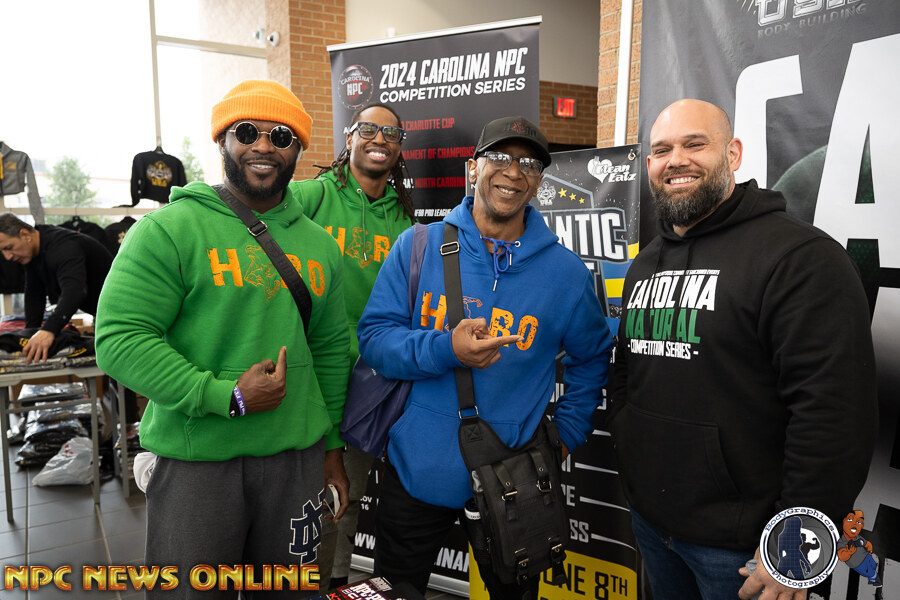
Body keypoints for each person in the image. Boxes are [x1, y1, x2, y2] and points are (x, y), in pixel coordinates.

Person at [608, 99, 877, 600]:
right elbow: (627, 374)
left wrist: (796, 544)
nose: (676, 160)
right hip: (652, 525)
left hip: (745, 551)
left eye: (694, 144)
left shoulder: (801, 259)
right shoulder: (646, 263)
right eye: (661, 150)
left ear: (732, 153)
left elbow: (836, 415)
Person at [95, 80, 351, 598]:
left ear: (298, 150)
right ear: (222, 141)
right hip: (197, 463)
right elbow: (119, 338)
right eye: (247, 132)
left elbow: (329, 350)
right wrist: (225, 395)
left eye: (282, 136)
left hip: (296, 462)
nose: (264, 146)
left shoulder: (321, 246)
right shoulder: (170, 229)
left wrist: (331, 449)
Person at [356, 116, 614, 599]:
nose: (513, 172)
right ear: (472, 168)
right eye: (499, 157)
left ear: (538, 181)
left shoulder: (565, 273)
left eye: (529, 164)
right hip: (416, 471)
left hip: (514, 480)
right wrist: (446, 349)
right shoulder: (418, 246)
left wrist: (568, 432)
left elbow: (594, 356)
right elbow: (375, 340)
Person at [288, 102, 414, 590]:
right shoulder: (314, 196)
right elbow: (251, 216)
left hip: (367, 385)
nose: (379, 139)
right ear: (349, 138)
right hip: (307, 376)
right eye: (368, 129)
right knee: (303, 497)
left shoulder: (402, 219)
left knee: (346, 497)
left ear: (399, 149)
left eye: (391, 133)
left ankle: (335, 582)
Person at [0, 213, 112, 363]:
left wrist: (49, 330)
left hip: (128, 310)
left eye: (9, 248)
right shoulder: (33, 254)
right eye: (3, 252)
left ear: (25, 235)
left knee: (117, 365)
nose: (8, 257)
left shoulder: (63, 247)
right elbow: (34, 296)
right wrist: (29, 336)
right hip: (104, 311)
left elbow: (75, 291)